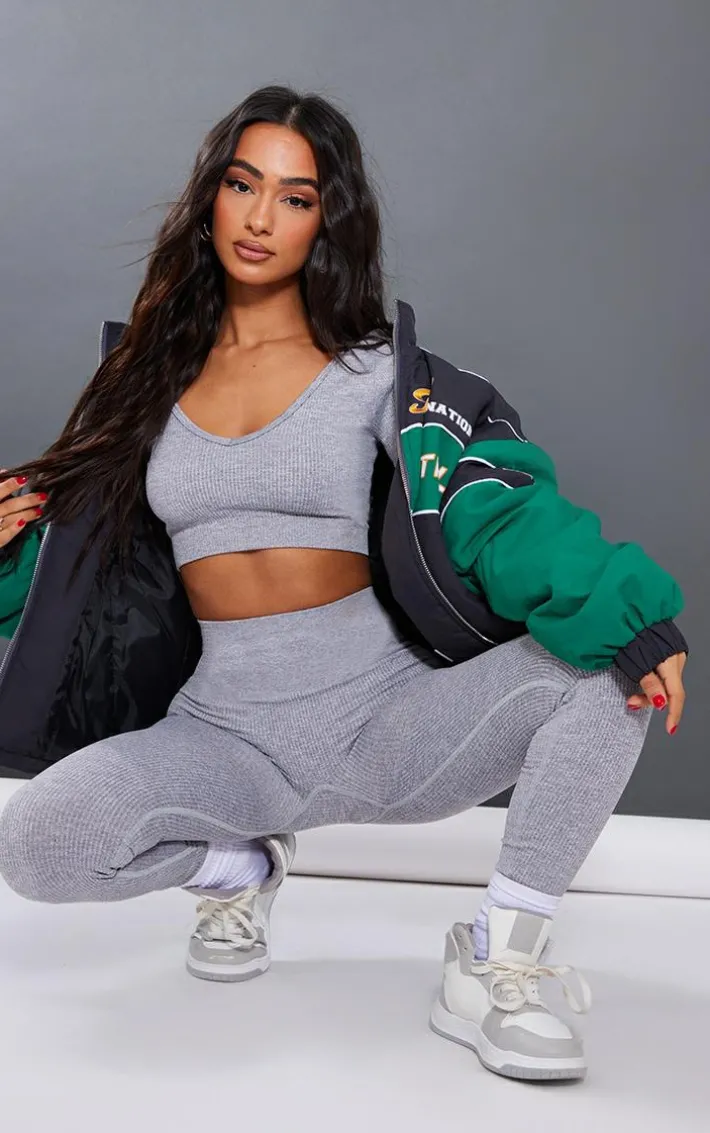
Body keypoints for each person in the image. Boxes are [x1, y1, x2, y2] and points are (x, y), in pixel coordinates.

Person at [0, 84, 688, 1084]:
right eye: (243, 185)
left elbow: (488, 504)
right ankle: (243, 865)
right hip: (222, 736)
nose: (260, 217)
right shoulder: (143, 379)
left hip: (386, 719)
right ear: (212, 196)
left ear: (328, 220)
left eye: (295, 197)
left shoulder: (376, 372)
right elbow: (78, 558)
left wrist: (623, 615)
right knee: (36, 842)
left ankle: (499, 956)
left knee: (603, 682)